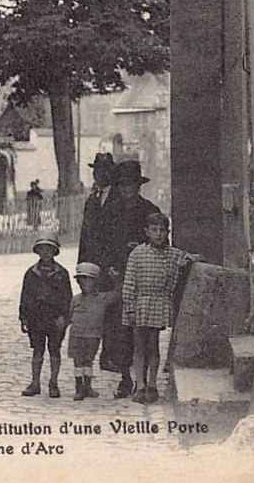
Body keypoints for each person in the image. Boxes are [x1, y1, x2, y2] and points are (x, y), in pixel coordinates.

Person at [97, 159, 160, 398]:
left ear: (138, 186)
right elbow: (99, 242)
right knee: (118, 332)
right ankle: (125, 378)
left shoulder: (149, 210)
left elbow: (160, 241)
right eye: (122, 185)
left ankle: (142, 380)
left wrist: (143, 250)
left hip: (143, 279)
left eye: (130, 184)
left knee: (141, 330)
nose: (126, 189)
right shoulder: (110, 211)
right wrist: (108, 266)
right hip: (116, 278)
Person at [122, 211, 199, 403]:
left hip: (158, 302)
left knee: (153, 345)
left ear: (168, 232)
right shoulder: (137, 254)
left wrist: (189, 260)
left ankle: (152, 385)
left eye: (162, 230)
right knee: (139, 345)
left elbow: (189, 258)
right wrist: (130, 307)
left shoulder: (172, 254)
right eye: (154, 230)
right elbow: (129, 282)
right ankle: (139, 385)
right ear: (146, 232)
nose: (158, 234)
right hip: (139, 302)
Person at [19, 235, 72, 398]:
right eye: (42, 249)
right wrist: (23, 316)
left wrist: (65, 317)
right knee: (37, 350)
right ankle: (35, 383)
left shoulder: (62, 273)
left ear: (55, 252)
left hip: (55, 318)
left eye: (50, 249)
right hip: (36, 317)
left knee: (54, 350)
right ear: (38, 252)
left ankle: (53, 383)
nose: (46, 252)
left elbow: (67, 298)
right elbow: (25, 295)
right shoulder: (31, 273)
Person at [67, 262, 120, 401]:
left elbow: (118, 294)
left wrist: (115, 279)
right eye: (80, 280)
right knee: (78, 361)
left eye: (87, 279)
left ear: (96, 282)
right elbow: (69, 316)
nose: (83, 283)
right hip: (76, 335)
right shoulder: (76, 299)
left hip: (93, 335)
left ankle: (88, 386)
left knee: (88, 360)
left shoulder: (102, 299)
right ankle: (79, 387)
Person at [77, 152, 115, 266]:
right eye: (96, 170)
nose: (99, 174)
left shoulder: (119, 197)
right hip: (93, 262)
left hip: (112, 263)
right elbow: (85, 235)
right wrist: (81, 264)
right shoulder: (92, 200)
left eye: (104, 170)